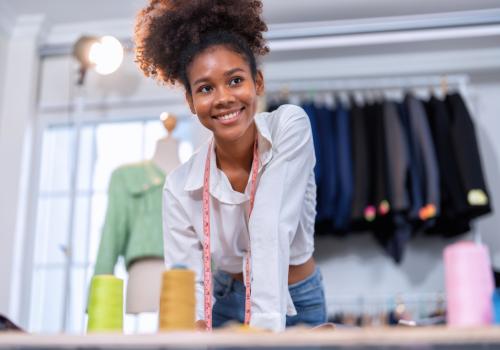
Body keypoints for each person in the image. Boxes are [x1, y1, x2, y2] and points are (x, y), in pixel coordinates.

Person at [134, 0, 326, 332]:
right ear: (191, 102)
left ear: (259, 83)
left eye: (235, 80)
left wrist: (263, 332)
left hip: (297, 297)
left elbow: (270, 224)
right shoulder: (180, 186)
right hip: (225, 299)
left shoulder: (288, 128)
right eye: (205, 88)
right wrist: (190, 326)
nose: (223, 97)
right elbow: (186, 277)